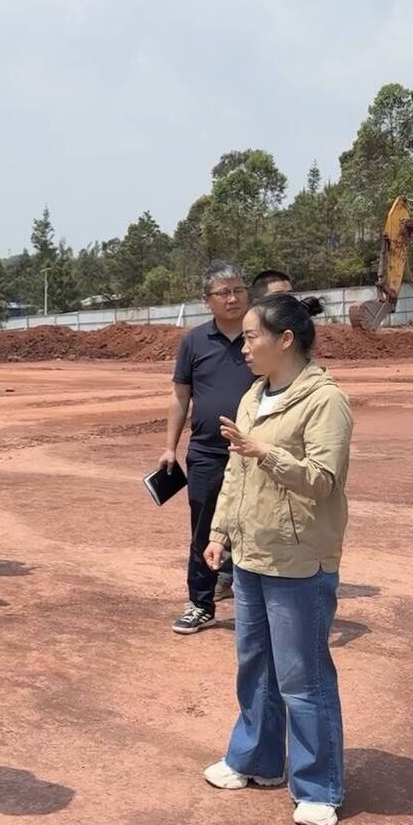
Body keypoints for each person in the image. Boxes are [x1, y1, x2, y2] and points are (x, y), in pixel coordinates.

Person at [201, 294, 352, 825]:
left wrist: (265, 451)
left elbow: (323, 481)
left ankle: (319, 787)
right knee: (256, 667)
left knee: (302, 676)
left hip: (298, 558)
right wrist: (220, 532)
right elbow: (235, 473)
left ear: (285, 339)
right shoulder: (254, 395)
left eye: (250, 337)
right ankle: (256, 760)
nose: (243, 347)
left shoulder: (326, 401)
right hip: (251, 553)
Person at [160, 261, 256, 635]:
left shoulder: (262, 335)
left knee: (257, 527)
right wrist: (170, 447)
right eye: (223, 292)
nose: (233, 298)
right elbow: (180, 396)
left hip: (256, 452)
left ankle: (257, 605)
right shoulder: (194, 341)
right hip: (207, 452)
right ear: (207, 300)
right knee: (203, 529)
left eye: (239, 290)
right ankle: (201, 604)